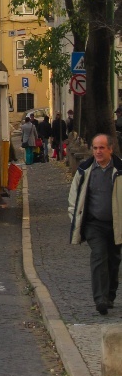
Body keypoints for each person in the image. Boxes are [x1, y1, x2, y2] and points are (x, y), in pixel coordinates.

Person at [68, 134, 122, 315]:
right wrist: (76, 219)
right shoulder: (85, 170)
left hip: (116, 224)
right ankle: (100, 299)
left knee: (113, 260)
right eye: (95, 148)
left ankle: (110, 295)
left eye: (101, 148)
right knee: (99, 255)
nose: (98, 151)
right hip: (93, 224)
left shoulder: (120, 170)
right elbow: (74, 198)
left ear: (110, 149)